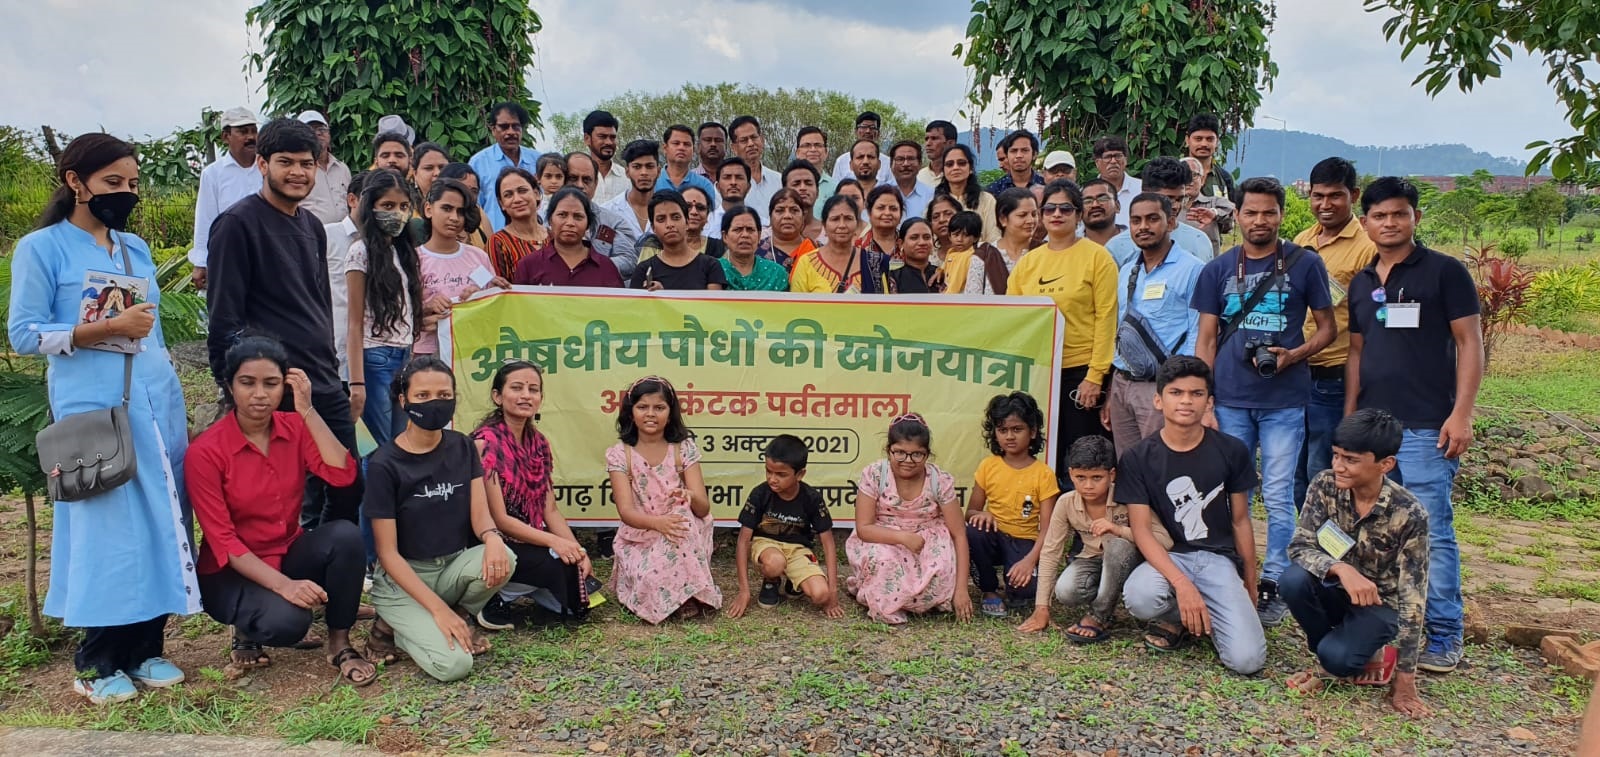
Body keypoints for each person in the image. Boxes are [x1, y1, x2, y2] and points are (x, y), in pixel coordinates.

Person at [8, 133, 197, 704]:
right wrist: (104, 330)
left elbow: (154, 331)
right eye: (113, 183)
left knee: (162, 520)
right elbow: (23, 334)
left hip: (155, 400)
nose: (125, 193)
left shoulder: (134, 249)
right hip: (92, 408)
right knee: (106, 531)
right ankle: (95, 660)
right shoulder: (42, 249)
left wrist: (165, 387)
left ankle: (146, 647)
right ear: (75, 181)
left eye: (133, 183)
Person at [1346, 176, 1483, 674]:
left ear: (1415, 218)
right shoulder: (1362, 282)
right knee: (1375, 528)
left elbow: (1470, 344)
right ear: (1366, 223)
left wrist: (1461, 412)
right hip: (1374, 430)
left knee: (1435, 531)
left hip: (1427, 426)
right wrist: (1351, 419)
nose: (1389, 223)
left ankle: (1445, 633)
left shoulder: (1445, 273)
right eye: (1379, 216)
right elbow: (1357, 354)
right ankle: (1386, 625)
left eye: (1398, 214)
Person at [188, 336, 373, 686]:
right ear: (230, 385)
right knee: (289, 623)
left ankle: (339, 642)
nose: (260, 394)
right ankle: (245, 627)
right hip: (231, 573)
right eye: (247, 383)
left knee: (345, 537)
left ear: (284, 385)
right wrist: (285, 586)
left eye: (271, 383)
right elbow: (224, 541)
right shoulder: (206, 451)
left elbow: (343, 474)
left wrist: (307, 410)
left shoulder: (294, 427)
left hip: (287, 550)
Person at [1193, 176, 1336, 629]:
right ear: (1236, 216)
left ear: (1281, 215)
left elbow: (1329, 328)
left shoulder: (1306, 264)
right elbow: (1206, 337)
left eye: (1269, 212)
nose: (1260, 220)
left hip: (1284, 401)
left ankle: (1273, 580)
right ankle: (1236, 570)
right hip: (1231, 399)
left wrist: (1295, 355)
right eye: (1250, 212)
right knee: (1235, 491)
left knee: (1276, 493)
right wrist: (1205, 398)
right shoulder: (1217, 269)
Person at [209, 118, 361, 526]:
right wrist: (235, 389)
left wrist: (334, 369)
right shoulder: (236, 225)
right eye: (286, 162)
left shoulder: (312, 227)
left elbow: (320, 304)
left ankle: (321, 558)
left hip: (321, 381)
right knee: (279, 495)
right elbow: (223, 316)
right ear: (262, 164)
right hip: (272, 386)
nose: (298, 172)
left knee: (348, 481)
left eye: (307, 163)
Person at [364, 357, 514, 681]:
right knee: (455, 666)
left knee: (505, 558)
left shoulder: (463, 446)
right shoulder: (384, 464)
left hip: (450, 567)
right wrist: (437, 610)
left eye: (445, 396)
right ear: (403, 400)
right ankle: (399, 628)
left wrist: (492, 538)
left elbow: (480, 515)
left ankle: (454, 616)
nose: (435, 403)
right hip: (402, 580)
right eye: (423, 396)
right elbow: (387, 555)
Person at [1120, 357, 1266, 675]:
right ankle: (1180, 615)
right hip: (1170, 555)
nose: (1186, 401)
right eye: (1176, 392)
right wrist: (1182, 584)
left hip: (1218, 560)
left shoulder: (1232, 450)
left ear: (1209, 402)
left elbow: (1241, 520)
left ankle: (1208, 615)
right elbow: (1142, 530)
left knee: (1247, 661)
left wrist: (1250, 583)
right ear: (1159, 400)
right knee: (1139, 597)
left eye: (1196, 394)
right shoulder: (1138, 458)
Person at [1282, 409, 1431, 716]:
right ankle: (1336, 654)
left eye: (1350, 459)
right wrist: (1341, 569)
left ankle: (1355, 655)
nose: (1338, 466)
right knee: (1292, 580)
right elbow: (1299, 546)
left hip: (1379, 605)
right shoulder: (1325, 485)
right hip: (1336, 589)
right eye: (1336, 455)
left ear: (1385, 464)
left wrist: (1405, 681)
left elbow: (1413, 597)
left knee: (1337, 659)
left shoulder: (1410, 514)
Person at [471, 361, 593, 628]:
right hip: (491, 541)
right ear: (497, 396)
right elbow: (500, 519)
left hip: (529, 538)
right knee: (556, 562)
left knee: (578, 598)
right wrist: (555, 543)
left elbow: (549, 510)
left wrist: (578, 550)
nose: (526, 395)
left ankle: (524, 587)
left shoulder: (538, 444)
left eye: (533, 389)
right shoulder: (485, 444)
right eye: (516, 388)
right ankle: (495, 598)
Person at [1022, 436, 1173, 641]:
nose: (1088, 486)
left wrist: (1118, 530)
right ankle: (1107, 599)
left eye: (1096, 478)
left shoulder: (1128, 497)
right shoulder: (1066, 503)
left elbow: (1165, 541)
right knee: (1066, 591)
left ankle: (1100, 615)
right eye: (1081, 477)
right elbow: (1050, 551)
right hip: (1094, 560)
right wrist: (1041, 608)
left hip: (1135, 562)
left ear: (1111, 475)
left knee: (1118, 547)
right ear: (1071, 475)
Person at [1009, 181, 1119, 459]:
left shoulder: (1098, 257)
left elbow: (1107, 319)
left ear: (1079, 215)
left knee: (1083, 455)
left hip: (1081, 373)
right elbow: (1011, 318)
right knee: (1041, 454)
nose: (1056, 214)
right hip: (1038, 372)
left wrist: (1095, 377)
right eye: (1049, 209)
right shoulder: (1028, 263)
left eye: (1065, 208)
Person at [1292, 158, 1377, 512]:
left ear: (1353, 195)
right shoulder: (1302, 240)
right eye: (1317, 196)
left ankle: (1333, 551)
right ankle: (1307, 543)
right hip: (1295, 371)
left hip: (1336, 375)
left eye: (1335, 196)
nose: (1325, 205)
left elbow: (1372, 318)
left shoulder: (1367, 246)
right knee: (1293, 469)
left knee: (1323, 468)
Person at [606, 376, 721, 623]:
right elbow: (626, 511)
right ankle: (671, 594)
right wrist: (658, 524)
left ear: (670, 413)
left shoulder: (683, 449)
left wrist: (689, 497)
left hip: (681, 531)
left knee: (682, 519)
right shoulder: (620, 455)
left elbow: (703, 508)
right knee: (650, 577)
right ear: (630, 412)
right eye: (642, 407)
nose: (651, 414)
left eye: (659, 407)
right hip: (641, 532)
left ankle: (688, 596)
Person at [846, 414, 974, 625]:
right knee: (884, 562)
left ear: (927, 455)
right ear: (889, 450)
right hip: (883, 537)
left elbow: (959, 534)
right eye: (900, 453)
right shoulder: (875, 474)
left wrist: (961, 590)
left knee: (939, 569)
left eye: (917, 455)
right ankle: (884, 599)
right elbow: (864, 528)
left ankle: (917, 600)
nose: (908, 461)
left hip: (928, 541)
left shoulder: (939, 480)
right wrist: (902, 537)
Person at [1103, 193, 1205, 456]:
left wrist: (1186, 390)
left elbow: (1198, 332)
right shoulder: (1127, 270)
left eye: (1152, 219)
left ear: (1170, 222)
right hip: (1123, 384)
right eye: (1136, 220)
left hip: (1163, 386)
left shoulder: (1192, 269)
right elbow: (1120, 330)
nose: (1143, 227)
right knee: (1128, 467)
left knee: (1162, 464)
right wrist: (1112, 389)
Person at [344, 168, 421, 448]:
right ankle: (372, 493)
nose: (397, 214)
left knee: (400, 440)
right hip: (374, 357)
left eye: (403, 207)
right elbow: (353, 324)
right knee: (375, 445)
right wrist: (357, 384)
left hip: (403, 356)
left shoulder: (403, 252)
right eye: (387, 206)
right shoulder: (360, 252)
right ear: (370, 206)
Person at [726, 435, 844, 618]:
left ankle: (792, 581)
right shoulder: (760, 494)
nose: (772, 479)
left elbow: (828, 544)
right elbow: (743, 541)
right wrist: (744, 591)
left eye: (781, 474)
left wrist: (833, 592)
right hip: (766, 545)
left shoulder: (811, 498)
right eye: (769, 471)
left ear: (800, 474)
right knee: (775, 563)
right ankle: (771, 580)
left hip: (798, 550)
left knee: (821, 595)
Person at [965, 392, 1059, 616]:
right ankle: (989, 589)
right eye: (1002, 430)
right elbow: (970, 512)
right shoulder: (988, 466)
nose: (1009, 436)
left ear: (1033, 432)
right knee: (974, 531)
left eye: (1017, 429)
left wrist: (1029, 561)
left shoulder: (1043, 474)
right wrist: (982, 515)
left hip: (1025, 543)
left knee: (1025, 592)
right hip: (993, 536)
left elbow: (1048, 529)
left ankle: (1014, 582)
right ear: (994, 433)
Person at [414, 178, 507, 357]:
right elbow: (402, 314)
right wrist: (426, 308)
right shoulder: (415, 260)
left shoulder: (478, 256)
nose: (454, 218)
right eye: (446, 208)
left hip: (473, 350)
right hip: (428, 354)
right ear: (428, 209)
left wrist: (485, 296)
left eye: (461, 212)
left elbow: (493, 309)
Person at [188, 106, 260, 290]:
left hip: (266, 254)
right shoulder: (213, 174)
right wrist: (201, 263)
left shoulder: (267, 168)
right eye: (243, 132)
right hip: (229, 256)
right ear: (225, 136)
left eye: (253, 131)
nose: (250, 137)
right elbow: (205, 219)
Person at [1106, 157, 1217, 265]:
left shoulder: (1198, 241)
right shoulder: (1117, 247)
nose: (1175, 206)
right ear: (1144, 195)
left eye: (1180, 199)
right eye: (1167, 199)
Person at [512, 187, 625, 287]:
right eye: (562, 215)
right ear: (550, 220)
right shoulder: (529, 265)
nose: (570, 223)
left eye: (578, 216)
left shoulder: (607, 268)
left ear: (588, 224)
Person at [324, 171, 370, 388]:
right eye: (372, 200)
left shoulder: (390, 245)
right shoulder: (326, 236)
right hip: (335, 350)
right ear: (352, 199)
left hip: (376, 353)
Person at [789, 195, 890, 294]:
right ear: (824, 225)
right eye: (835, 219)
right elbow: (796, 308)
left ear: (856, 223)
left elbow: (885, 306)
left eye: (848, 218)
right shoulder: (806, 263)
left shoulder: (875, 263)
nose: (842, 225)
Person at [631, 191, 728, 291]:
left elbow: (713, 305)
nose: (669, 224)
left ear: (686, 222)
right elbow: (637, 306)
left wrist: (664, 295)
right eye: (661, 219)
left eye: (676, 217)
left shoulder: (710, 266)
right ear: (653, 228)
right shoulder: (644, 270)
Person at [564, 152, 640, 279]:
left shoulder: (614, 222)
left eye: (587, 180)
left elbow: (629, 260)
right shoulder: (543, 219)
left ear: (596, 183)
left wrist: (591, 266)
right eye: (573, 178)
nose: (580, 185)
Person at [487, 167, 550, 279]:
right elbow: (497, 290)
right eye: (508, 195)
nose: (517, 199)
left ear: (536, 194)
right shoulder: (498, 242)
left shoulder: (554, 237)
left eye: (522, 191)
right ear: (502, 204)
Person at [296, 110, 352, 224]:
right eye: (310, 130)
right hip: (310, 236)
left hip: (344, 236)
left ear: (329, 134)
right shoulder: (297, 170)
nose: (318, 134)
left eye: (321, 129)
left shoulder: (342, 169)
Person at [934, 144, 998, 242]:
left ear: (971, 168)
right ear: (943, 170)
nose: (955, 168)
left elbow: (994, 238)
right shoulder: (935, 201)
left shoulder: (986, 200)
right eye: (949, 164)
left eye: (961, 163)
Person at [942, 209, 1010, 296]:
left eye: (965, 235)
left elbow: (956, 284)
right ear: (949, 236)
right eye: (956, 234)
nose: (959, 239)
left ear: (976, 237)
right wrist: (940, 271)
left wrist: (946, 298)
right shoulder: (951, 251)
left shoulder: (970, 255)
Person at [719, 207, 789, 291]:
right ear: (725, 236)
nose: (745, 235)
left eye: (750, 230)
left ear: (759, 236)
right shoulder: (714, 269)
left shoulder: (776, 274)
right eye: (738, 230)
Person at [1186, 114, 1237, 223]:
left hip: (1212, 237)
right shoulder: (1174, 173)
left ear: (1217, 142)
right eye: (1198, 139)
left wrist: (1216, 213)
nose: (1204, 144)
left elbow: (1233, 213)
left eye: (1209, 139)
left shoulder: (1225, 178)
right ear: (1187, 140)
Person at [729, 116, 780, 224]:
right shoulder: (728, 185)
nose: (751, 144)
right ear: (734, 148)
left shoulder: (779, 180)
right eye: (744, 140)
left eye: (754, 137)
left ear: (762, 139)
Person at [604, 139, 661, 236]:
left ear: (658, 171)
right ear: (627, 172)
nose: (644, 173)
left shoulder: (669, 209)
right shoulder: (609, 211)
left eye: (649, 166)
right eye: (637, 167)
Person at [433, 163, 492, 249]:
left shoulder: (479, 214)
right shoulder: (430, 228)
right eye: (462, 188)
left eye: (474, 191)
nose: (469, 195)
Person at [656, 124, 719, 202]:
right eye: (676, 143)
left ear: (693, 150)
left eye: (687, 144)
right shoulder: (653, 181)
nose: (681, 148)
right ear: (665, 148)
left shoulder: (704, 184)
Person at [757, 189, 817, 269]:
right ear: (770, 217)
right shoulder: (756, 251)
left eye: (794, 210)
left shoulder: (817, 249)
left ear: (803, 217)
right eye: (780, 210)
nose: (787, 216)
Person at [831, 111, 893, 186]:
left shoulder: (888, 163)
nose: (868, 131)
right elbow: (836, 190)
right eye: (863, 127)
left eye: (872, 128)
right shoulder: (841, 161)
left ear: (878, 133)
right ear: (856, 131)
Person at [1091, 137, 1142, 228]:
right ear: (1097, 163)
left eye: (1118, 156)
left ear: (1125, 160)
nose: (1114, 161)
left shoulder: (1142, 189)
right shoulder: (1086, 193)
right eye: (1108, 157)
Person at [989, 187, 1038, 278]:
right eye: (1022, 215)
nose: (1031, 220)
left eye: (1034, 214)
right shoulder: (984, 256)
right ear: (1003, 219)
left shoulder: (1046, 251)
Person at [888, 217, 943, 294]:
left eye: (927, 237)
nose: (922, 243)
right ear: (900, 244)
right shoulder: (893, 278)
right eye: (914, 238)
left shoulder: (943, 274)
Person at [583, 110, 627, 202]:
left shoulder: (627, 178)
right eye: (602, 137)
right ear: (587, 139)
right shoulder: (575, 178)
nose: (609, 142)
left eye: (612, 137)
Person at [887, 140, 934, 219]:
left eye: (911, 159)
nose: (906, 164)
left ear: (920, 163)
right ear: (891, 164)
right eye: (900, 159)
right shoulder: (878, 193)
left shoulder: (931, 195)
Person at [987, 130, 1044, 194]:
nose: (1019, 155)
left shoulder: (1046, 186)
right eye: (1013, 151)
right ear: (1007, 155)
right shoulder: (994, 190)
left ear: (1034, 155)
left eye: (1025, 150)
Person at [678, 186, 726, 257]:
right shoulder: (661, 245)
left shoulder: (718, 248)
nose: (694, 212)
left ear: (707, 216)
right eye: (687, 206)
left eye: (700, 208)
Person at [858, 184, 904, 259]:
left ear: (901, 214)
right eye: (881, 208)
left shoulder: (909, 245)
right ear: (869, 213)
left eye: (893, 208)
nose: (887, 213)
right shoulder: (858, 247)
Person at [794, 127, 836, 203]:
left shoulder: (835, 187)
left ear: (826, 152)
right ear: (797, 153)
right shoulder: (786, 185)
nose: (813, 149)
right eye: (807, 145)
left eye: (818, 145)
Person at [1080, 178, 1123, 248]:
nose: (1095, 205)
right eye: (1088, 201)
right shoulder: (1069, 243)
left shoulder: (1134, 240)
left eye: (1103, 199)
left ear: (1117, 206)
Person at [927, 192, 960, 264]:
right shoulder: (928, 256)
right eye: (936, 217)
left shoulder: (974, 252)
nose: (941, 220)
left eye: (948, 214)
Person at [533, 153, 567, 218]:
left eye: (558, 177)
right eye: (548, 176)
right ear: (537, 178)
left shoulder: (567, 201)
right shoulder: (535, 201)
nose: (554, 181)